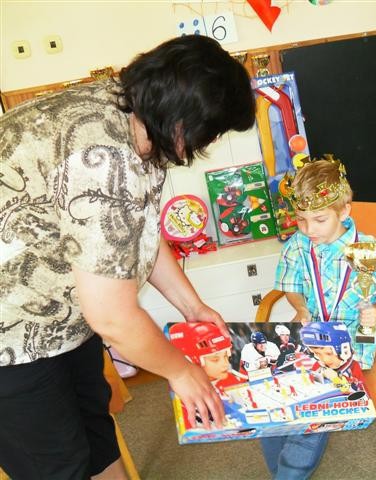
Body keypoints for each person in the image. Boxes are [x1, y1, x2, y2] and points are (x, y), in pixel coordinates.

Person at [0, 35, 255, 479]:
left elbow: (137, 236)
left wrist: (193, 307)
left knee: (95, 435)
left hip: (61, 314)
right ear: (182, 121)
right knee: (58, 464)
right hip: (12, 335)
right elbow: (112, 317)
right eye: (210, 132)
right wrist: (181, 371)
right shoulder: (101, 160)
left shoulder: (136, 113)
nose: (209, 141)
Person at [260, 156, 376, 479]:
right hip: (311, 331)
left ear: (344, 211)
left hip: (354, 337)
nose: (309, 229)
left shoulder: (367, 248)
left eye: (319, 220)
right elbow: (292, 287)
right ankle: (281, 471)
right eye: (301, 219)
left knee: (316, 402)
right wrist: (300, 308)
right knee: (274, 395)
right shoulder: (297, 246)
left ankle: (290, 473)